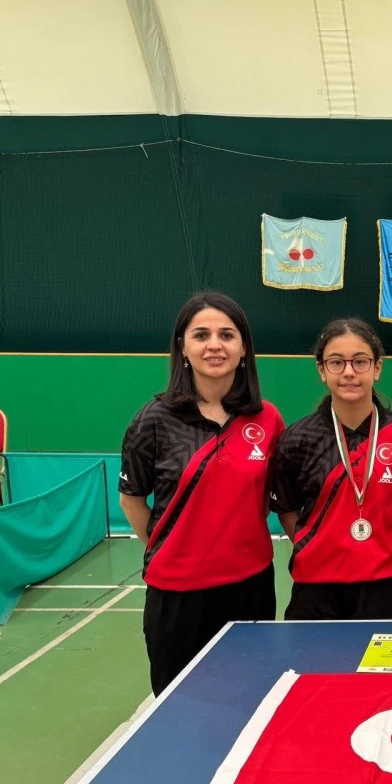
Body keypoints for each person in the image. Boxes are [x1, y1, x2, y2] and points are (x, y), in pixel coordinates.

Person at [119, 292, 284, 696]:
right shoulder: (153, 420)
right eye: (201, 335)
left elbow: (265, 498)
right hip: (177, 596)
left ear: (243, 348)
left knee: (249, 703)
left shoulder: (267, 419)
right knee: (182, 709)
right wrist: (173, 547)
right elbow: (132, 499)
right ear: (183, 347)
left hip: (251, 588)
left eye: (227, 335)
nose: (215, 345)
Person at [272, 319, 392, 621]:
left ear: (377, 368)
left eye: (360, 361)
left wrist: (376, 550)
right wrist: (318, 547)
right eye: (336, 362)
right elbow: (288, 510)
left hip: (384, 588)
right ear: (321, 370)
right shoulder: (297, 439)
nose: (348, 372)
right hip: (315, 589)